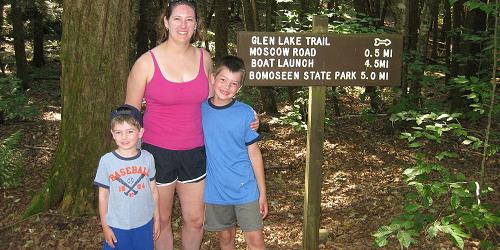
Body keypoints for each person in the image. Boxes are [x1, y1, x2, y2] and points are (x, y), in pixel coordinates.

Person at [125, 0, 258, 249]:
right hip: (157, 153)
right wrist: (131, 158)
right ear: (166, 22)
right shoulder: (146, 62)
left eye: (189, 20)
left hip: (196, 151)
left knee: (196, 220)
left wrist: (247, 112)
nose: (183, 25)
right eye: (177, 19)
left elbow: (217, 100)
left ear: (196, 24)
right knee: (161, 220)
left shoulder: (204, 58)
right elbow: (129, 116)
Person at [202, 55, 268, 250]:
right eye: (223, 80)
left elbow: (254, 154)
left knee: (255, 240)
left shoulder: (246, 113)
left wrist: (262, 193)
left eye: (233, 84)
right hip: (216, 190)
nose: (226, 87)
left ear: (239, 88)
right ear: (213, 78)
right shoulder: (200, 110)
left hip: (245, 189)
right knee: (226, 238)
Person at [94, 104, 160, 250]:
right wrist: (105, 226)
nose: (124, 137)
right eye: (118, 132)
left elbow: (153, 190)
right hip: (117, 225)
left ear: (140, 132)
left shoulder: (148, 158)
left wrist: (157, 218)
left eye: (130, 131)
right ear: (112, 133)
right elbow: (103, 196)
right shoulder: (107, 161)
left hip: (144, 223)